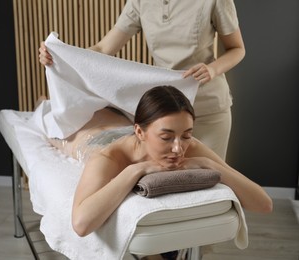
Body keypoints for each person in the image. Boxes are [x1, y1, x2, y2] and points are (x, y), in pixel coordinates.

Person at [43, 85, 272, 238]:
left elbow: (264, 204)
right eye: (166, 137)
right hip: (89, 139)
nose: (177, 148)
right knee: (53, 125)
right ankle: (42, 103)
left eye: (186, 134)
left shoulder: (188, 146)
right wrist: (137, 169)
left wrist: (210, 164)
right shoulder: (108, 158)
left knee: (107, 114)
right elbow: (81, 224)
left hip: (121, 124)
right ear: (140, 132)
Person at [39, 0, 246, 161]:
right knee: (171, 184)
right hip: (166, 112)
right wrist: (60, 56)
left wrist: (212, 69)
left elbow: (237, 49)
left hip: (208, 109)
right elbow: (103, 49)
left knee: (210, 184)